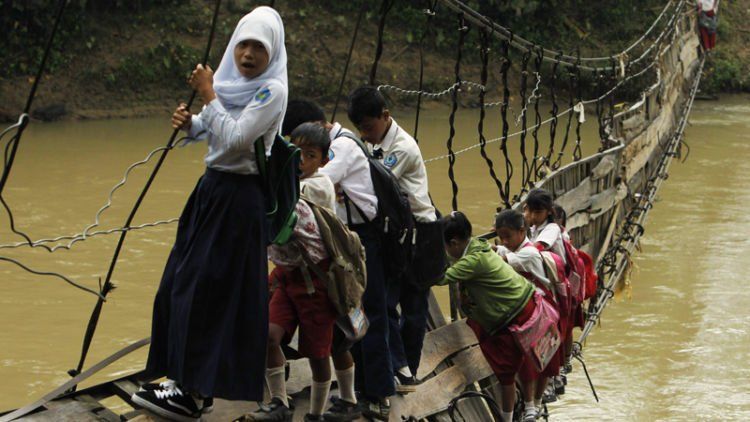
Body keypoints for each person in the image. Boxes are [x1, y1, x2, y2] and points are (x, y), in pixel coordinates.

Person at [131, 7, 288, 422]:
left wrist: (206, 94)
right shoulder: (227, 83)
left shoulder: (272, 90)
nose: (248, 55)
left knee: (207, 291)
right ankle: (186, 382)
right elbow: (215, 129)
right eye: (243, 45)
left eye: (259, 47)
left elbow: (237, 137)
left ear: (272, 53)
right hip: (211, 191)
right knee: (178, 283)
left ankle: (192, 389)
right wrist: (191, 124)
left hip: (240, 201)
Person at [280, 100, 391, 420]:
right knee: (348, 327)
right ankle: (354, 393)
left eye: (307, 153)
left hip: (346, 247)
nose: (300, 159)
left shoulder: (338, 152)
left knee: (360, 319)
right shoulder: (329, 152)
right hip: (335, 244)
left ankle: (376, 396)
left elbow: (309, 190)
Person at [246, 123, 359, 422]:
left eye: (309, 156)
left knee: (320, 352)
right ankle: (280, 404)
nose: (300, 162)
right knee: (269, 335)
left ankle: (316, 414)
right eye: (296, 154)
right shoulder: (290, 184)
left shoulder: (314, 187)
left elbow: (279, 216)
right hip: (287, 275)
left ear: (324, 161)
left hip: (316, 282)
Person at [347, 86, 442, 394]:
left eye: (369, 127)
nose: (365, 134)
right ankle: (398, 368)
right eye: (360, 129)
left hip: (421, 235)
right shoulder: (372, 142)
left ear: (385, 116)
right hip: (398, 235)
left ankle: (407, 370)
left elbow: (375, 185)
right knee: (384, 303)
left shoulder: (402, 147)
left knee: (414, 312)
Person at [438, 211, 536, 422]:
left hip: (513, 314)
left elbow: (440, 278)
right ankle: (525, 408)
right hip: (521, 304)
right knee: (519, 364)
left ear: (454, 243)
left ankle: (508, 419)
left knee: (506, 373)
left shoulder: (473, 261)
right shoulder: (476, 245)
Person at [495, 209, 562, 422]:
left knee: (544, 358)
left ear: (522, 232)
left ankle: (537, 402)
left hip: (542, 310)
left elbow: (501, 261)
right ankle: (531, 403)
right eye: (500, 236)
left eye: (508, 236)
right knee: (527, 359)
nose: (504, 241)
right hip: (527, 310)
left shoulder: (528, 253)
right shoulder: (512, 248)